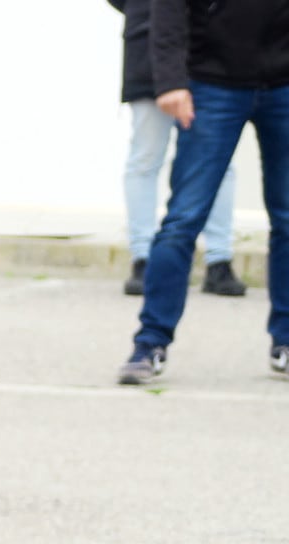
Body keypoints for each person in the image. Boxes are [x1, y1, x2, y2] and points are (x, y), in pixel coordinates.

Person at [117, 0, 289, 384]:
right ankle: (150, 343)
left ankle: (286, 341)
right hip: (212, 85)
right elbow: (168, 11)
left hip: (283, 84)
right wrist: (170, 81)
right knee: (183, 219)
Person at [110, 0, 244, 296]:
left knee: (220, 162)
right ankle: (143, 258)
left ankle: (219, 259)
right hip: (147, 48)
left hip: (212, 56)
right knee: (145, 158)